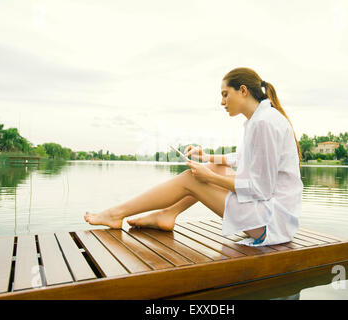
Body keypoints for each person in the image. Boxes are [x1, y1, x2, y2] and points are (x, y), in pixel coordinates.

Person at [84, 67, 303, 246]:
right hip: (269, 214)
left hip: (271, 223)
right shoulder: (260, 119)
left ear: (243, 90)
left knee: (193, 178)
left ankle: (115, 213)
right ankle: (167, 214)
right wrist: (207, 157)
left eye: (225, 94)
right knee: (213, 168)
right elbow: (241, 158)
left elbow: (260, 188)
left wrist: (209, 178)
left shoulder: (264, 123)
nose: (222, 101)